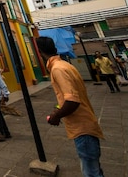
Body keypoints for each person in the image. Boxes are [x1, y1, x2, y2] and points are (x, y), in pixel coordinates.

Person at [36, 37, 104, 177]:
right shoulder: (66, 65)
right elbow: (71, 95)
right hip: (85, 124)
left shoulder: (58, 69)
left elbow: (72, 100)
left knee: (91, 173)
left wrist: (56, 115)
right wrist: (59, 107)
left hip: (82, 128)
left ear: (39, 51)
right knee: (94, 169)